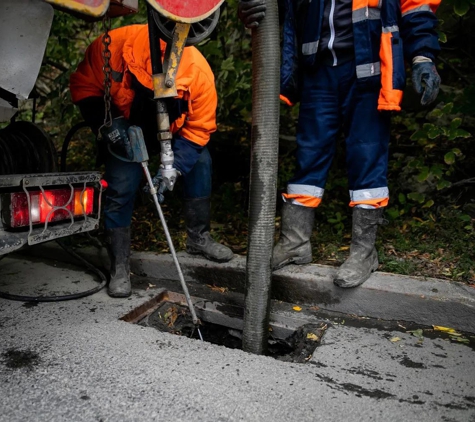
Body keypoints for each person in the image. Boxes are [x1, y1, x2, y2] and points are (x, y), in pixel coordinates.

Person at [238, 0, 441, 288]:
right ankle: (295, 242)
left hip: (368, 70)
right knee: (309, 154)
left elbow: (416, 8)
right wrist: (252, 9)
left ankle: (364, 253)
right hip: (319, 70)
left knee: (366, 155)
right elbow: (282, 8)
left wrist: (423, 56)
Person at [70, 23, 234, 298]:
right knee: (122, 184)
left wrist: (175, 167)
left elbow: (199, 129)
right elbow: (84, 85)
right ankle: (119, 265)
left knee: (201, 162)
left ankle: (199, 238)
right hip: (127, 129)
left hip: (173, 133)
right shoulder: (113, 46)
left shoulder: (199, 73)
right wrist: (108, 124)